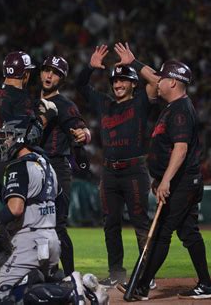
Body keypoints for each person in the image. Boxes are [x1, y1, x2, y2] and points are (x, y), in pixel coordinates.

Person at [114, 43, 211, 300]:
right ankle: (206, 284)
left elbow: (180, 150)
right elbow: (151, 75)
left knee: (160, 233)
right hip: (183, 181)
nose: (157, 82)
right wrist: (134, 63)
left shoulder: (180, 110)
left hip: (182, 182)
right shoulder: (176, 105)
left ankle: (139, 287)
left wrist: (165, 181)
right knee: (189, 232)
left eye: (163, 79)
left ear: (173, 83)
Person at [75, 45, 157, 289]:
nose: (118, 84)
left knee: (140, 223)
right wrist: (90, 67)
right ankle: (116, 274)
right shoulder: (105, 103)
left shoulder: (142, 101)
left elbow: (158, 83)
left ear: (133, 83)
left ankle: (147, 275)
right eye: (115, 81)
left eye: (124, 80)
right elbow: (80, 86)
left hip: (134, 171)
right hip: (109, 173)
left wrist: (135, 63)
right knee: (110, 224)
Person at [0, 51, 58, 286]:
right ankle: (2, 267)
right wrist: (45, 116)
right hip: (8, 161)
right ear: (26, 73)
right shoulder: (22, 98)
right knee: (19, 213)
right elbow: (29, 136)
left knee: (14, 215)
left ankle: (2, 267)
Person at [0, 116, 62, 303]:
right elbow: (59, 199)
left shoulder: (19, 166)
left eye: (9, 136)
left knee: (2, 296)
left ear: (21, 137)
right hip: (52, 239)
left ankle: (70, 291)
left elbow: (15, 209)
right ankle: (76, 286)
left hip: (29, 240)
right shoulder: (47, 164)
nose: (6, 141)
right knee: (42, 291)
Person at [39, 55, 91, 276]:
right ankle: (43, 271)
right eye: (47, 70)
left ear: (62, 78)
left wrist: (84, 135)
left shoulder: (65, 105)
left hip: (58, 167)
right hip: (34, 168)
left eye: (56, 72)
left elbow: (82, 130)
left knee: (58, 225)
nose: (50, 75)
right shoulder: (32, 103)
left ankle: (71, 276)